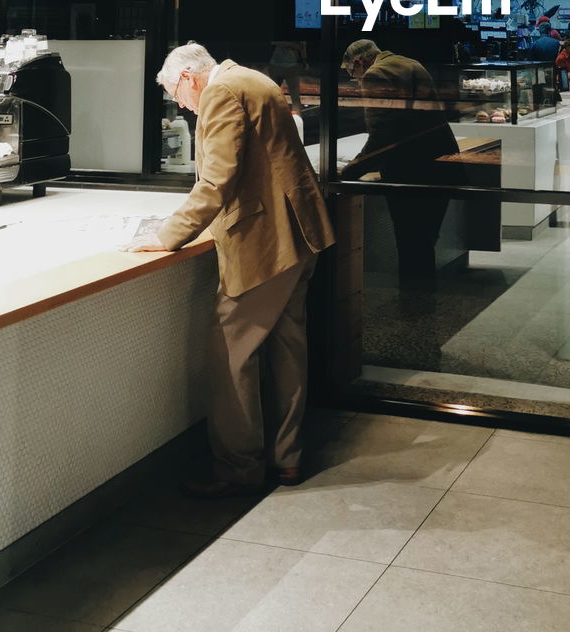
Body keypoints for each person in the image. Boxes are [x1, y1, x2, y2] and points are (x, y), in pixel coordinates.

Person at [128, 42, 334, 498]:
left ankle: (238, 469)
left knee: (229, 353)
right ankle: (288, 460)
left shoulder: (220, 93)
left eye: (177, 97)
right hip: (298, 235)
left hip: (265, 244)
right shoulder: (253, 78)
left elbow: (217, 179)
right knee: (287, 351)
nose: (182, 108)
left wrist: (167, 235)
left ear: (187, 79)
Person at [341, 39, 458, 290]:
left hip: (412, 168)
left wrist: (347, 172)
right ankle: (424, 306)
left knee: (411, 242)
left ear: (359, 63)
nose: (356, 80)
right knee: (424, 241)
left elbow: (382, 136)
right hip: (441, 161)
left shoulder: (376, 74)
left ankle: (414, 309)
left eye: (352, 74)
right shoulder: (408, 62)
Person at [265, 39, 307, 114]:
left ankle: (296, 121)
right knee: (272, 95)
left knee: (294, 97)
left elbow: (301, 47)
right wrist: (292, 44)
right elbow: (274, 41)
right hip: (277, 65)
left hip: (288, 66)